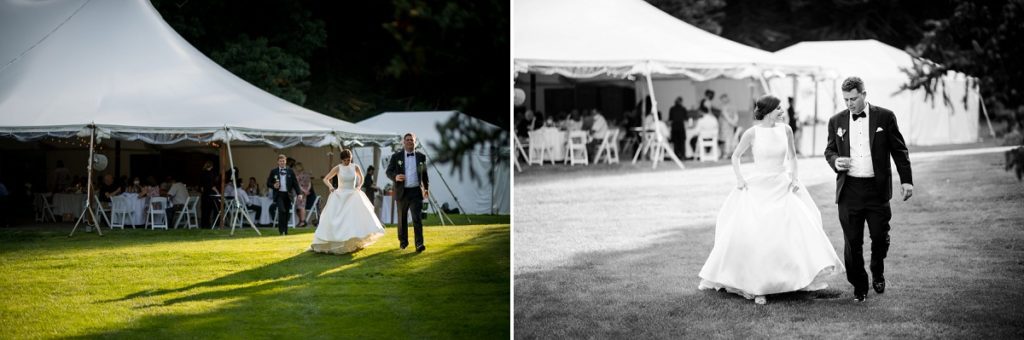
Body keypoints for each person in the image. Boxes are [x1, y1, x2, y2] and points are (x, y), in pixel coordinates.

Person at [698, 94, 845, 305]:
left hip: (783, 184)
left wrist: (795, 177)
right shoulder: (752, 133)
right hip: (759, 186)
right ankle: (758, 286)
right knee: (760, 235)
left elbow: (793, 157)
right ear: (768, 111)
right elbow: (735, 156)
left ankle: (796, 280)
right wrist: (739, 179)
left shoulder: (786, 130)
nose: (782, 111)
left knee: (795, 229)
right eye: (778, 108)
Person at [825, 77, 913, 302]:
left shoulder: (885, 116)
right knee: (852, 242)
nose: (850, 104)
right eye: (846, 100)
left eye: (853, 98)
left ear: (864, 94)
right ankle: (860, 286)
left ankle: (878, 270)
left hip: (877, 189)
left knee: (880, 237)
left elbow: (899, 150)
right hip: (849, 189)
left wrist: (906, 180)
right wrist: (835, 161)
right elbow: (830, 150)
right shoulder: (836, 121)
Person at [310, 149, 386, 254]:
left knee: (354, 219)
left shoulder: (355, 167)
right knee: (339, 220)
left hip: (353, 195)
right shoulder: (338, 168)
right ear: (342, 160)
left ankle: (354, 242)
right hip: (340, 195)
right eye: (345, 160)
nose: (347, 162)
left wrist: (359, 186)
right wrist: (331, 187)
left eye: (349, 160)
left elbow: (361, 177)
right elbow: (326, 179)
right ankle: (337, 242)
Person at [386, 133, 430, 252]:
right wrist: (395, 176)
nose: (410, 141)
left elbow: (424, 174)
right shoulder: (396, 156)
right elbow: (388, 171)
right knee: (402, 219)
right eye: (407, 140)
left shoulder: (421, 157)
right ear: (403, 142)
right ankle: (403, 242)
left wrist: (426, 188)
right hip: (402, 192)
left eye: (412, 140)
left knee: (417, 219)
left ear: (415, 142)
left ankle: (419, 244)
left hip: (416, 191)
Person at [266, 154, 302, 235]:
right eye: (280, 161)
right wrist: (273, 185)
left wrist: (299, 193)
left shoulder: (290, 171)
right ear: (277, 162)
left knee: (286, 212)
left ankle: (285, 231)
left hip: (288, 195)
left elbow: (295, 183)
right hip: (279, 194)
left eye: (283, 161)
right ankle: (281, 230)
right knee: (282, 210)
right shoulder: (274, 171)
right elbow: (268, 183)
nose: (282, 162)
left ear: (285, 162)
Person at [199, 161, 218, 228]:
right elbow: (212, 186)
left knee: (204, 210)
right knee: (209, 210)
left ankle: (203, 224)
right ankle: (208, 225)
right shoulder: (211, 174)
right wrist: (217, 192)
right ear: (211, 166)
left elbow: (201, 187)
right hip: (210, 194)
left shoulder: (202, 173)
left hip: (204, 194)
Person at [294, 162, 312, 227]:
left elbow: (298, 185)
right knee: (301, 207)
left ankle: (302, 221)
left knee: (300, 207)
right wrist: (307, 190)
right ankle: (302, 221)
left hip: (300, 192)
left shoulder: (297, 175)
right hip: (305, 192)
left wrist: (303, 190)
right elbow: (310, 183)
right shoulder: (307, 174)